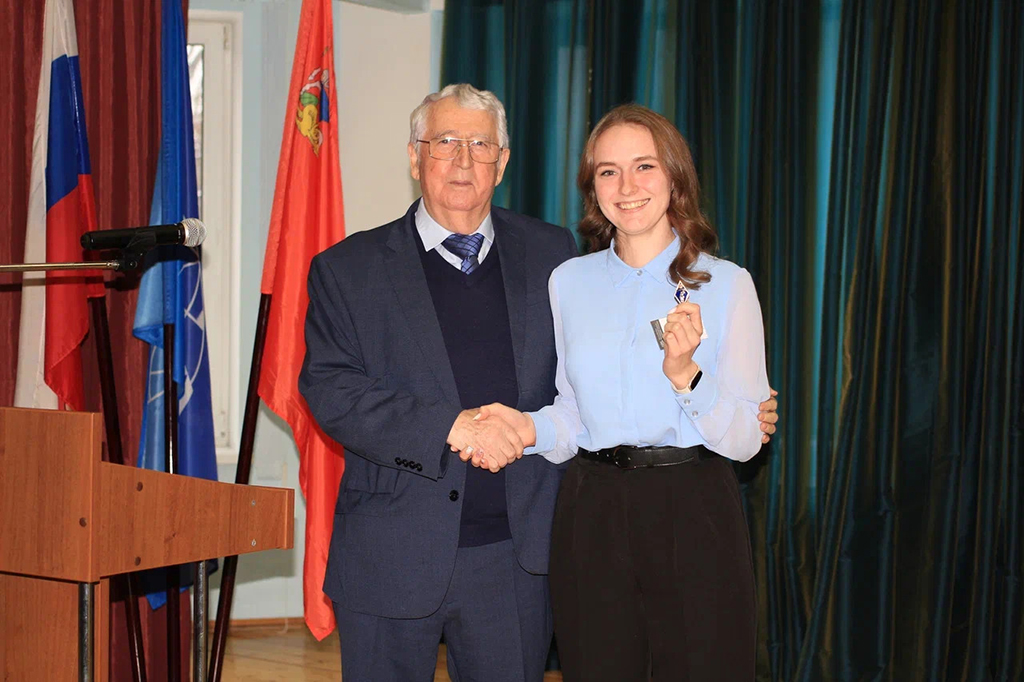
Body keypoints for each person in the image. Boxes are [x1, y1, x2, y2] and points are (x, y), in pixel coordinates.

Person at [299, 85, 778, 682]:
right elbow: (331, 390)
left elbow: (711, 423)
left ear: (502, 162)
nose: (463, 160)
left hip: (520, 557)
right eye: (444, 142)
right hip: (396, 552)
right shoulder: (350, 268)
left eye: (480, 145)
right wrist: (463, 427)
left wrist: (700, 385)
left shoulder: (551, 254)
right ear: (415, 157)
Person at [477, 104, 770, 681]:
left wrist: (687, 377)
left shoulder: (727, 284)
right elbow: (573, 416)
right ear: (593, 188)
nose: (627, 186)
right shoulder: (569, 282)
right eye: (608, 171)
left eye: (644, 166)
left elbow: (745, 441)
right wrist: (525, 428)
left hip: (693, 505)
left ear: (675, 177)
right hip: (593, 508)